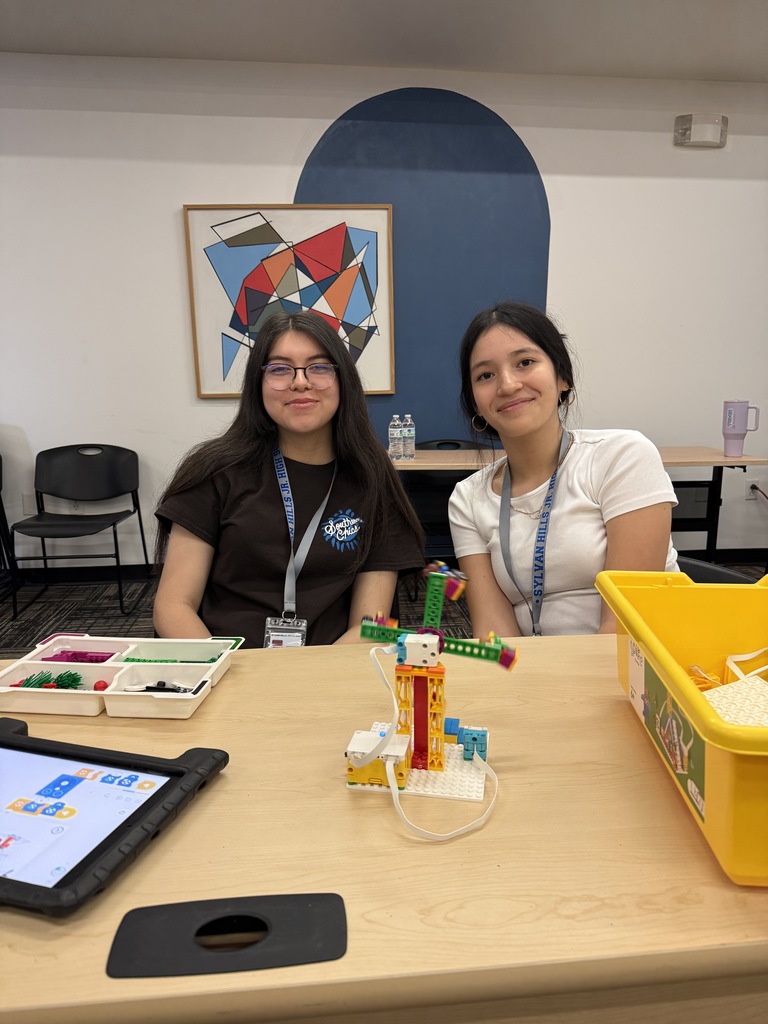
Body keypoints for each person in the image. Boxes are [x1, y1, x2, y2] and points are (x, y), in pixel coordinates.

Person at [154, 310, 424, 647]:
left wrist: (310, 687)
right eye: (280, 369)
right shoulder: (214, 472)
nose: (300, 381)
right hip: (224, 670)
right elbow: (173, 607)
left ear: (343, 381)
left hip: (329, 673)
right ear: (259, 382)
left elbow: (370, 626)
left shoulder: (372, 479)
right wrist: (226, 678)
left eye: (319, 366)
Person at [448, 301, 678, 637]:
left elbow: (624, 629)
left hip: (636, 670)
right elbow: (495, 637)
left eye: (525, 362)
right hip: (534, 676)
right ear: (475, 402)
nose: (508, 385)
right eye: (486, 375)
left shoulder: (622, 457)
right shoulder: (467, 499)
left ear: (562, 377)